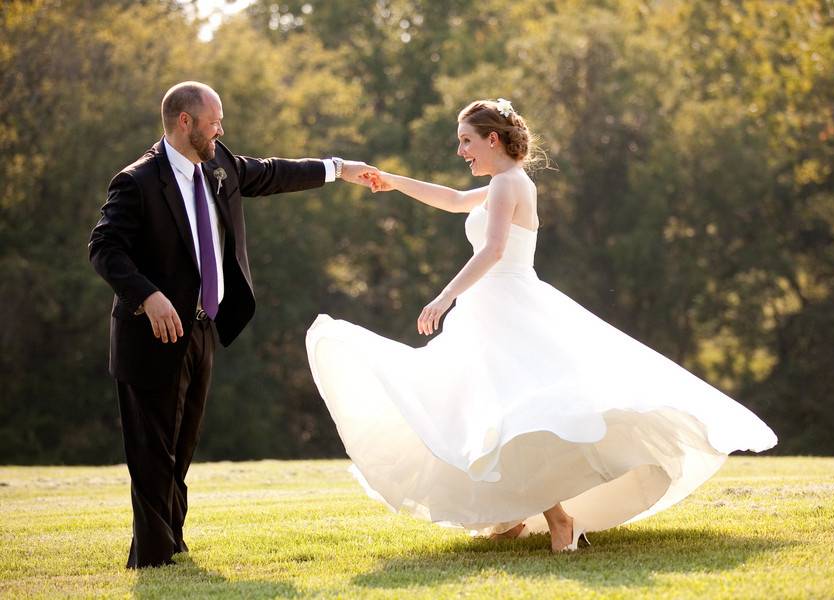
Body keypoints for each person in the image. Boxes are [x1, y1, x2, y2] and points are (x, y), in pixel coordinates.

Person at [305, 98, 777, 552]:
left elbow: (492, 251)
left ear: (493, 139)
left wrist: (444, 297)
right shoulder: (502, 184)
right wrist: (390, 181)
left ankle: (560, 521)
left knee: (519, 412)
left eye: (466, 141)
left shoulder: (510, 183)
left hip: (509, 308)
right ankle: (512, 518)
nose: (460, 151)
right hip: (491, 310)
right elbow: (451, 200)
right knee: (494, 411)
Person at [89, 81, 376, 568]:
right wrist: (147, 297)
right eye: (213, 121)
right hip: (149, 333)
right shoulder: (136, 182)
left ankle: (170, 546)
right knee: (151, 450)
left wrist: (339, 169)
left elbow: (271, 173)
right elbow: (103, 249)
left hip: (202, 328)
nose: (221, 129)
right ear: (185, 122)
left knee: (181, 447)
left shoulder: (219, 164)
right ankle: (152, 558)